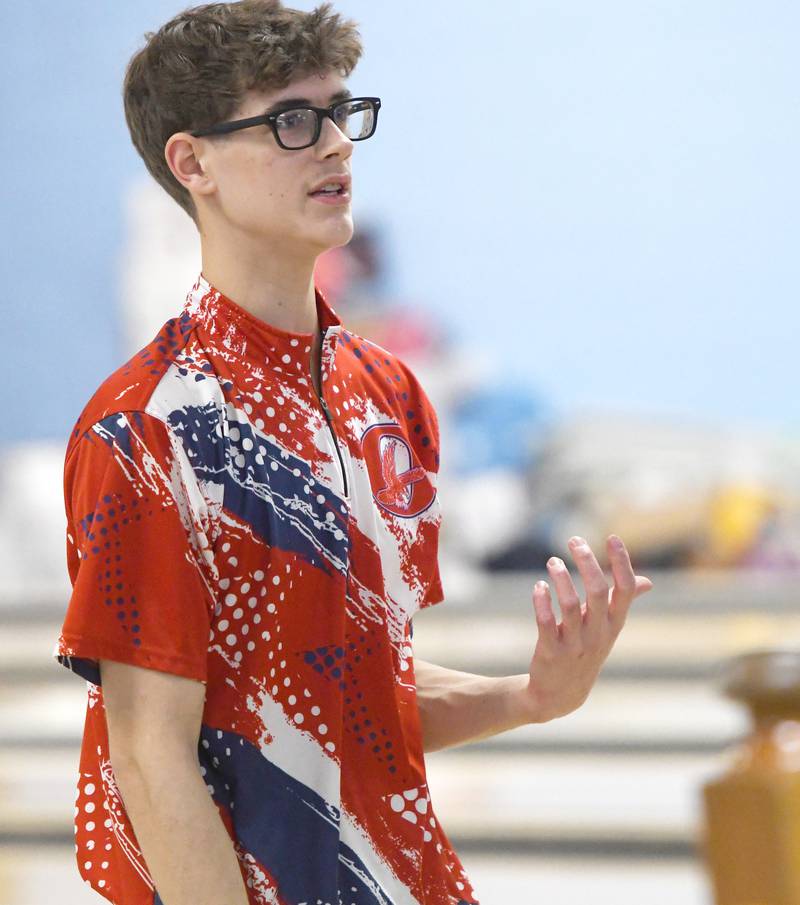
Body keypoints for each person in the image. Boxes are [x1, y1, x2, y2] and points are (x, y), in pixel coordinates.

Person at [52, 2, 655, 903]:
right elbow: (150, 757)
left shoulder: (389, 396)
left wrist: (532, 695)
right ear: (193, 162)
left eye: (342, 113)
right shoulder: (146, 429)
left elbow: (361, 698)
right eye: (294, 122)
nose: (336, 144)